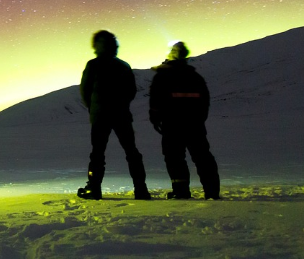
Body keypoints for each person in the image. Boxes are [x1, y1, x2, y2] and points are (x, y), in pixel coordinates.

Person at [77, 30, 150, 200]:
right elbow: (131, 90)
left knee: (97, 153)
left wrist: (94, 108)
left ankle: (94, 188)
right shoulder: (123, 66)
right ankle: (141, 188)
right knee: (131, 151)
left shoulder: (93, 65)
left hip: (101, 116)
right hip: (121, 114)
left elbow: (85, 91)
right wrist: (121, 105)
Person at [149, 42, 220, 199]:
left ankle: (180, 191)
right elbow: (204, 101)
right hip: (194, 124)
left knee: (174, 158)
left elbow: (156, 101)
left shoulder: (162, 76)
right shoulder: (195, 77)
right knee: (202, 157)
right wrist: (199, 119)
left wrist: (156, 119)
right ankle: (212, 191)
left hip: (172, 125)